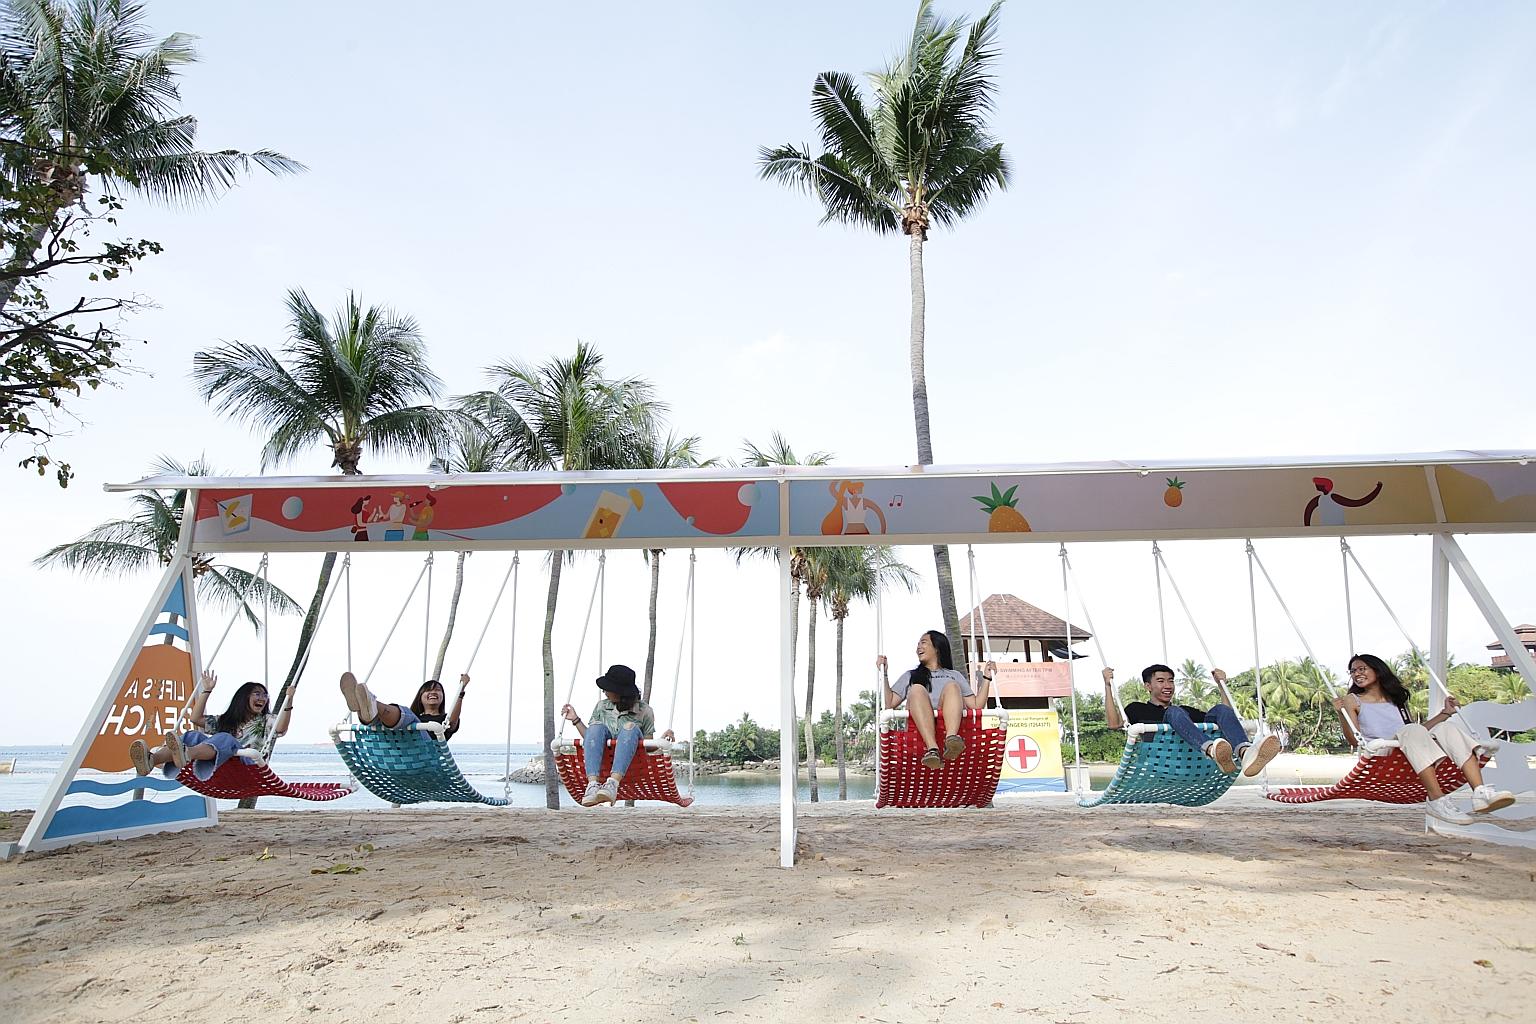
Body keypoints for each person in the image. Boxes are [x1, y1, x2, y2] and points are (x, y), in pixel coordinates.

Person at [1332, 653, 1514, 824]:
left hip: (1410, 749)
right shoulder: (1352, 700)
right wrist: (1341, 714)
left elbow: (1418, 732)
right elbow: (1354, 741)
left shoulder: (1397, 700)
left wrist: (1445, 714)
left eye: (1362, 669)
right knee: (1411, 730)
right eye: (1353, 671)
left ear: (1377, 670)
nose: (1357, 674)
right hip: (1383, 754)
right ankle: (1436, 800)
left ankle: (1480, 792)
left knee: (1447, 728)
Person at [1104, 664, 1281, 777]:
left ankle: (1245, 753)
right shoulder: (1136, 708)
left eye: (1171, 681)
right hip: (1160, 763)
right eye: (1161, 681)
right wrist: (1107, 685)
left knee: (1221, 709)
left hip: (1191, 763)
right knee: (1173, 711)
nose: (1168, 686)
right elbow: (1113, 724)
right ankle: (1211, 750)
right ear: (1148, 686)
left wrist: (1221, 686)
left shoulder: (1184, 713)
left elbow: (1224, 720)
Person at [128, 671, 291, 780]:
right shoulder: (227, 720)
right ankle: (152, 760)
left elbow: (281, 728)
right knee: (192, 735)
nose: (263, 698)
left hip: (247, 768)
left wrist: (289, 700)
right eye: (257, 693)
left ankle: (187, 753)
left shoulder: (266, 720)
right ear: (244, 698)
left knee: (225, 738)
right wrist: (206, 691)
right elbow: (195, 718)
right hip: (221, 766)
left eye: (265, 695)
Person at [876, 630, 996, 770]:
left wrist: (987, 678)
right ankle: (932, 749)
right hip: (918, 736)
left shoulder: (954, 675)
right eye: (918, 644)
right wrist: (884, 674)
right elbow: (889, 703)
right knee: (917, 689)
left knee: (952, 686)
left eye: (923, 642)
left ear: (937, 648)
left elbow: (976, 705)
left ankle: (951, 741)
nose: (918, 647)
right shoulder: (911, 676)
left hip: (947, 729)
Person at [561, 664, 674, 806]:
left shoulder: (644, 711)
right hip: (604, 765)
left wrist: (661, 740)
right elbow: (591, 739)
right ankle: (593, 785)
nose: (604, 691)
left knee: (629, 727)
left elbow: (648, 746)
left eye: (608, 688)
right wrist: (575, 719)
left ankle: (613, 783)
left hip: (632, 766)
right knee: (596, 727)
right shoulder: (601, 706)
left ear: (620, 692)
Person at [338, 671, 470, 738]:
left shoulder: (445, 721)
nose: (433, 692)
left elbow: (452, 721)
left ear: (443, 697)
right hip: (400, 747)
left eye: (438, 690)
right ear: (420, 698)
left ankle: (368, 703)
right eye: (428, 690)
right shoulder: (415, 716)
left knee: (407, 716)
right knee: (383, 721)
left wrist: (461, 690)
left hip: (424, 752)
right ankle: (364, 706)